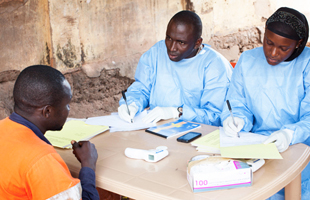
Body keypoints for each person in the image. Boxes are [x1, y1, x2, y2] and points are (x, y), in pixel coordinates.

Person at [221, 7, 310, 199]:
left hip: (301, 148)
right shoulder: (248, 60)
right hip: (257, 147)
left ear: (299, 44)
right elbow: (237, 101)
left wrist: (290, 134)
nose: (273, 52)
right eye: (268, 43)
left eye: (283, 48)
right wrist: (237, 119)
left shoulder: (307, 64)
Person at [0, 65, 99, 199]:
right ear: (47, 112)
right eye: (67, 104)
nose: (69, 109)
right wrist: (88, 166)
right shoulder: (42, 160)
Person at [118, 10, 232, 125]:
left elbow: (215, 116)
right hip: (154, 128)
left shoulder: (215, 66)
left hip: (196, 134)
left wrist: (178, 112)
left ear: (197, 43)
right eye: (169, 38)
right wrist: (131, 104)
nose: (172, 48)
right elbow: (142, 88)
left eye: (181, 42)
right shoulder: (156, 53)